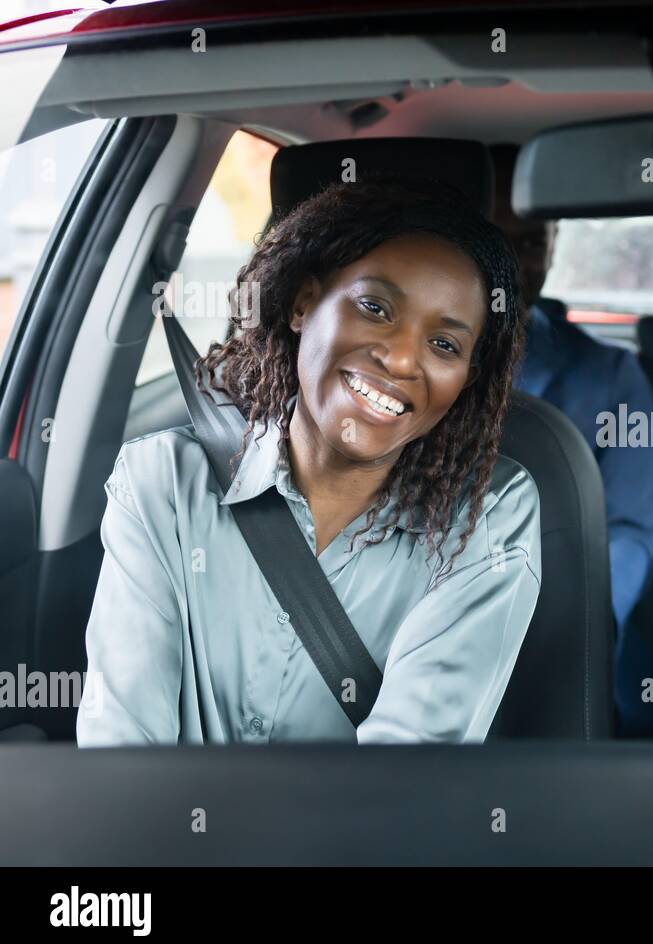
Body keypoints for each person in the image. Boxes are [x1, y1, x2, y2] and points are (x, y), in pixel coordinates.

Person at [78, 178, 540, 745]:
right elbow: (123, 744)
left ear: (465, 381)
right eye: (375, 308)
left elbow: (407, 775)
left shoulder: (486, 521)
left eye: (444, 345)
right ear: (302, 303)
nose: (399, 358)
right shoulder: (163, 483)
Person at [488, 144, 653, 732]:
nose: (514, 261)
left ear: (555, 245)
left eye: (532, 242)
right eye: (495, 238)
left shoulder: (611, 377)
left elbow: (629, 535)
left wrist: (559, 624)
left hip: (564, 636)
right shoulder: (397, 371)